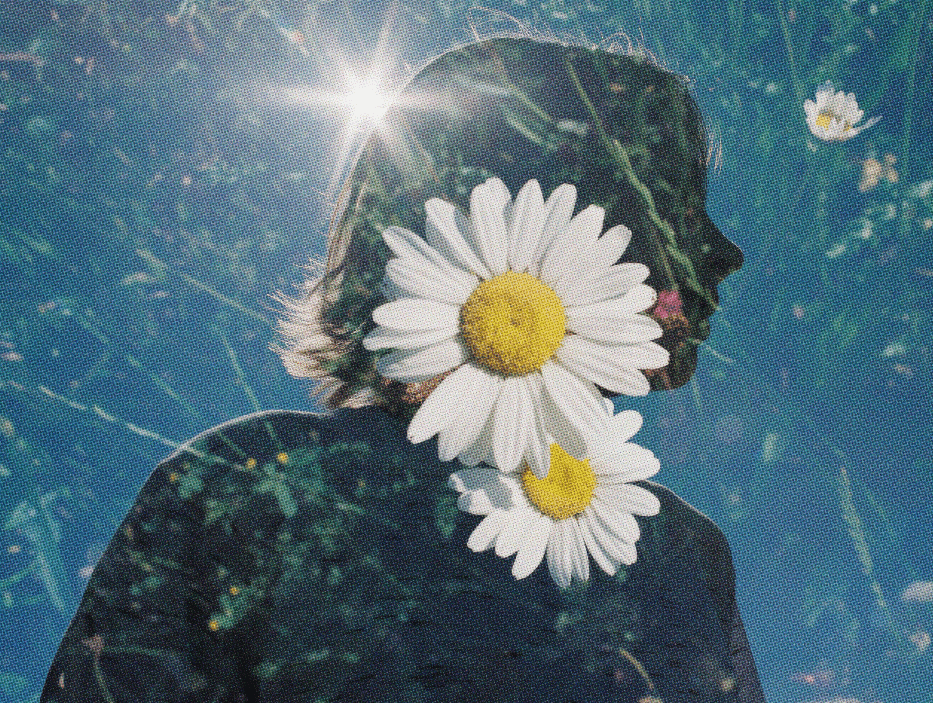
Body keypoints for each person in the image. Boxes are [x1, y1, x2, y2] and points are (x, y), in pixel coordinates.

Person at [41, 36, 760, 702]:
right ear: (532, 212)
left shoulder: (684, 551)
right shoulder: (252, 490)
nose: (725, 251)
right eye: (676, 205)